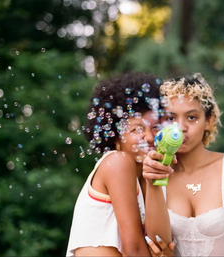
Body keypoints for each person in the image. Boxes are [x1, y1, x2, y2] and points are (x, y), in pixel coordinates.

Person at [142, 73, 224, 256]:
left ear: (209, 121)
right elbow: (157, 249)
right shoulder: (152, 172)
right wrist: (153, 182)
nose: (180, 127)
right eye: (170, 118)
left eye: (191, 117)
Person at [66, 72, 173, 256]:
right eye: (137, 129)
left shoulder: (143, 179)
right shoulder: (118, 162)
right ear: (116, 137)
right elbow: (136, 251)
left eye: (155, 127)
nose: (148, 137)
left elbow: (159, 245)